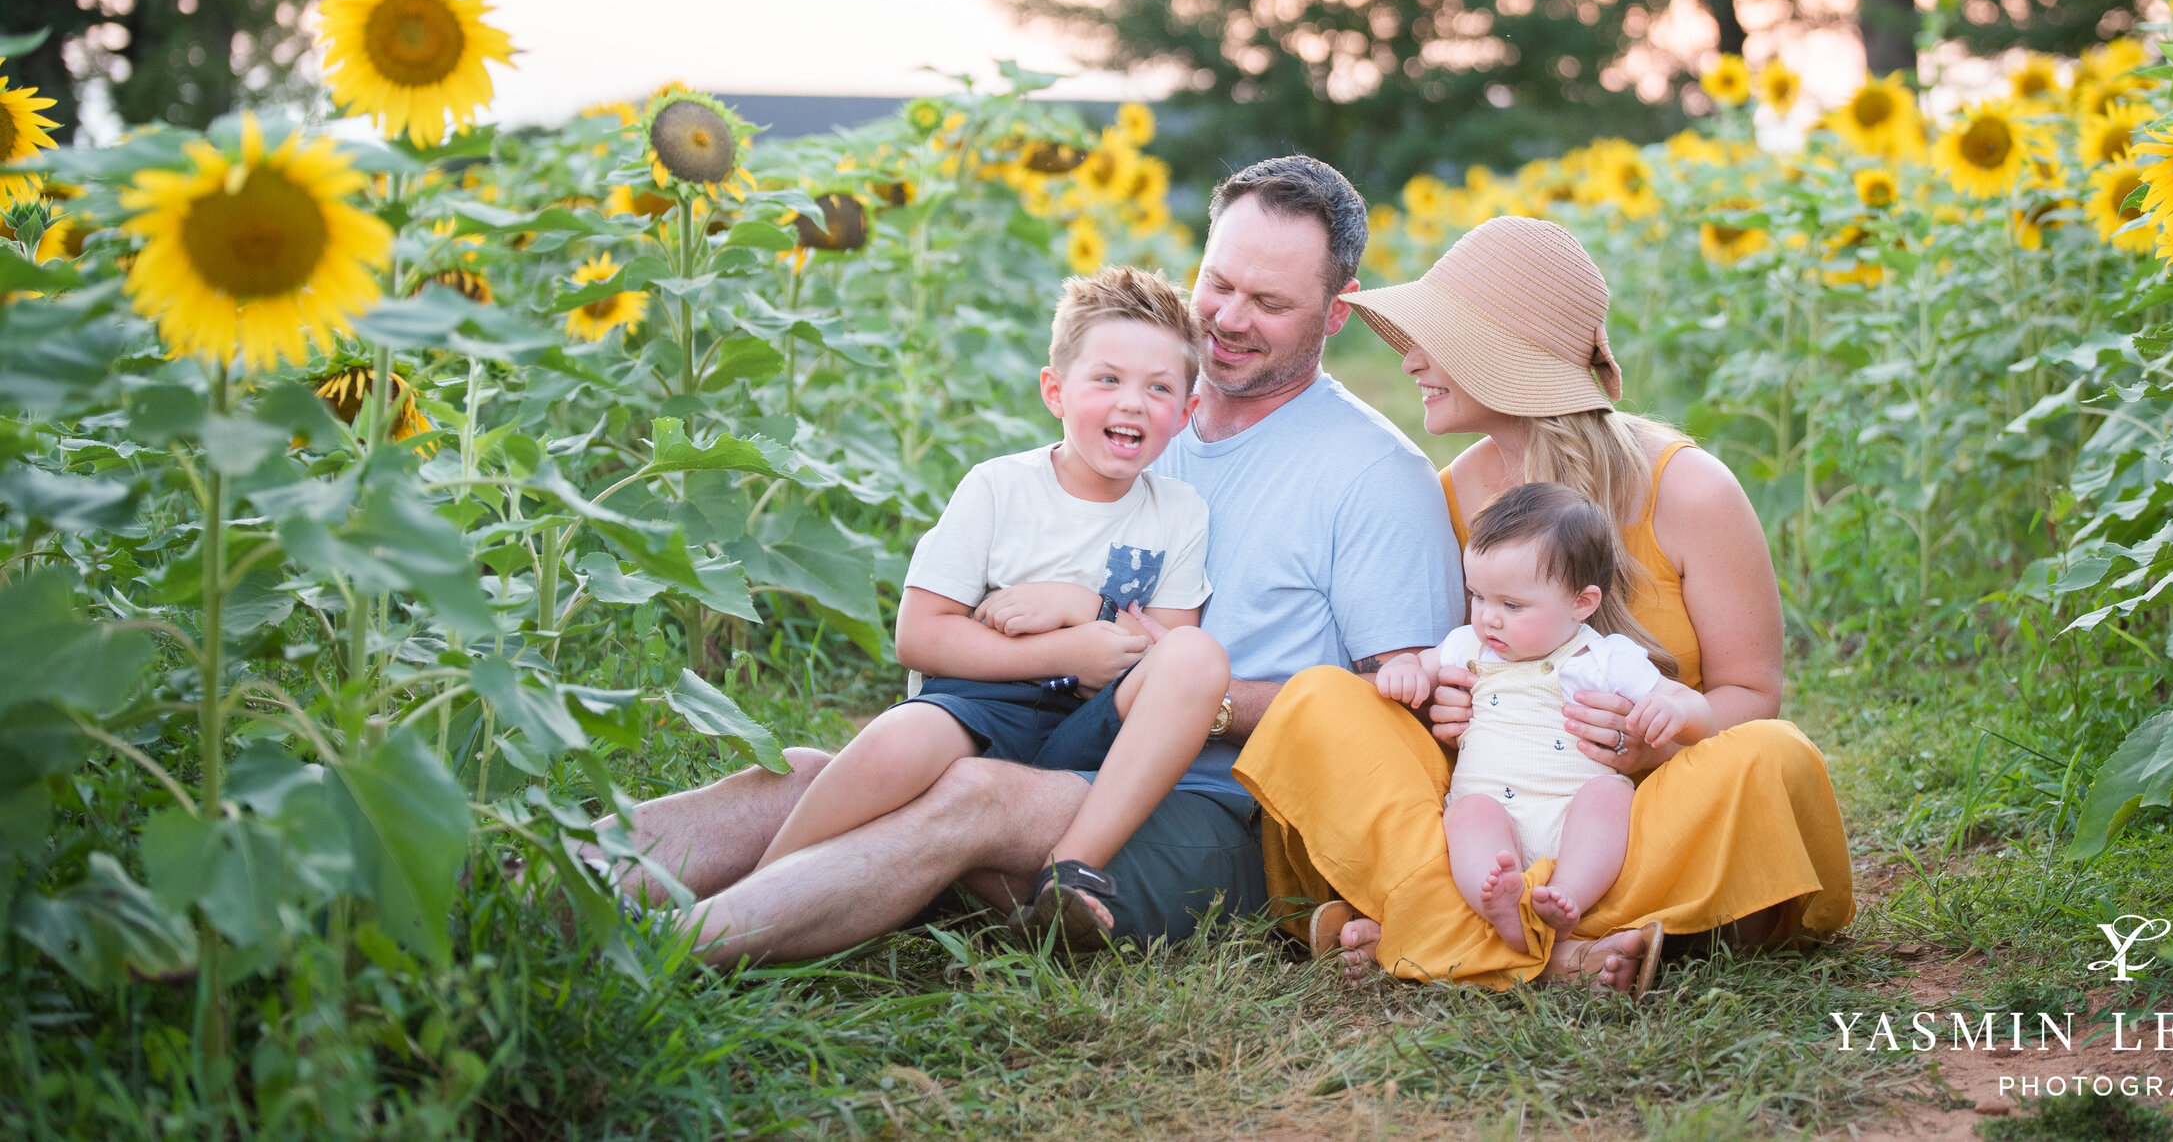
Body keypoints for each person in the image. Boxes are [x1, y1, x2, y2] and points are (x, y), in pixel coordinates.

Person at [592, 154, 1460, 965]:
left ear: (1336, 311)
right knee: (826, 773)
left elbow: (1402, 725)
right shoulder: (1149, 413)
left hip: (1218, 814)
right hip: (1064, 729)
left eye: (1268, 302)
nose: (1229, 319)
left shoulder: (1377, 477)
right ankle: (530, 894)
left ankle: (656, 960)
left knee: (974, 795)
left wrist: (1202, 700)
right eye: (1217, 283)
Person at [1232, 214, 1854, 992]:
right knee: (1319, 702)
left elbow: (1752, 695)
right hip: (1496, 810)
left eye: (1440, 340)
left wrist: (1652, 741)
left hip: (1631, 807)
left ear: (1509, 360)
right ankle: (1566, 955)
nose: (1414, 360)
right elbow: (1463, 689)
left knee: (1778, 756)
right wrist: (1443, 710)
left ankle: (1428, 930)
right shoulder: (1453, 493)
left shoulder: (1689, 490)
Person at [738, 266, 1231, 947]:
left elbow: (1170, 650)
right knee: (896, 740)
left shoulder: (1179, 512)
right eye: (1108, 380)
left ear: (1184, 412)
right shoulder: (998, 488)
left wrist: (1081, 606)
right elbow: (919, 635)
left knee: (1200, 658)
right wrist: (1065, 650)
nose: (1133, 403)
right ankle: (761, 892)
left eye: (1159, 388)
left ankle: (1071, 869)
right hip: (978, 704)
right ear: (1055, 390)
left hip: (1091, 725)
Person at [1371, 482, 1693, 967]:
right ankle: (1501, 902)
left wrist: (1680, 711)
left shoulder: (1605, 658)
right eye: (1478, 597)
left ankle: (1563, 899)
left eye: (1512, 606)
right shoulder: (1467, 646)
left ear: (1582, 604)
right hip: (1493, 807)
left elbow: (1683, 701)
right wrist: (1405, 669)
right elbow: (1423, 664)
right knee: (1467, 816)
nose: (1488, 620)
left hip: (1572, 811)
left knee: (1609, 798)